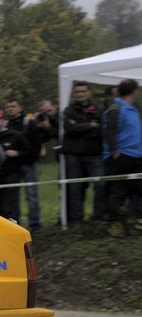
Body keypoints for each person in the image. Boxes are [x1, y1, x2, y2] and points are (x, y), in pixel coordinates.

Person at [101, 78, 142, 238]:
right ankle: (114, 222)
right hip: (120, 156)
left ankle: (138, 219)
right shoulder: (116, 108)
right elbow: (109, 132)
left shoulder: (133, 109)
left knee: (139, 188)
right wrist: (115, 152)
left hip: (137, 156)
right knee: (117, 190)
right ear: (134, 91)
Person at [62, 81, 104, 224]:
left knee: (100, 184)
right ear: (74, 94)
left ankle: (97, 217)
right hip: (74, 155)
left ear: (89, 92)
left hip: (94, 154)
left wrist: (79, 127)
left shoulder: (98, 109)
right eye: (77, 91)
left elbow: (99, 130)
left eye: (83, 91)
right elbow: (69, 128)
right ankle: (77, 220)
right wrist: (90, 125)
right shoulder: (68, 110)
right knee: (75, 188)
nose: (80, 94)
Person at [5, 98, 47, 228]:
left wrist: (30, 160)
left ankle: (35, 223)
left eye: (13, 106)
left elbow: (37, 143)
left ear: (20, 108)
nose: (11, 108)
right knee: (13, 196)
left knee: (31, 194)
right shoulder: (6, 124)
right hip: (12, 166)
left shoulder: (29, 123)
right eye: (8, 106)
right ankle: (15, 222)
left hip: (28, 164)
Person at [0, 111, 31, 222]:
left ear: (3, 121)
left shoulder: (15, 135)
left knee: (11, 204)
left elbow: (29, 151)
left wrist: (17, 153)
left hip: (11, 174)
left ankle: (15, 226)